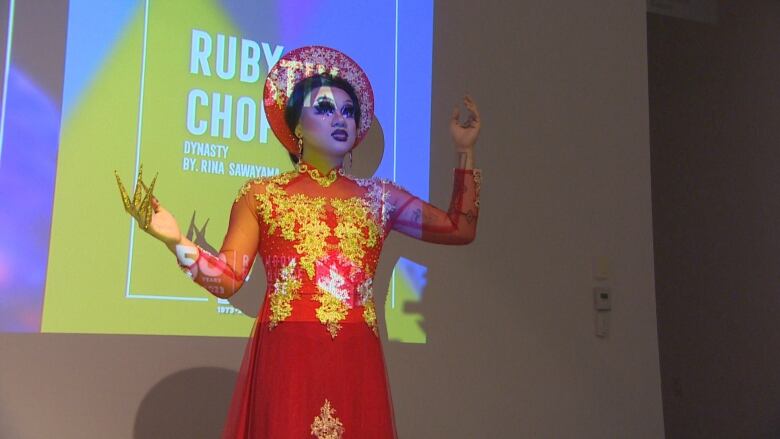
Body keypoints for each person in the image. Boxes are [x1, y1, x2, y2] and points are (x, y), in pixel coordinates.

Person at [116, 46, 482, 439]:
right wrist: (174, 240)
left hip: (356, 357)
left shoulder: (380, 198)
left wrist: (464, 151)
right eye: (325, 108)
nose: (340, 118)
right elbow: (228, 279)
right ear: (298, 129)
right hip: (288, 357)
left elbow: (460, 228)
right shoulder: (262, 196)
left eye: (348, 111)